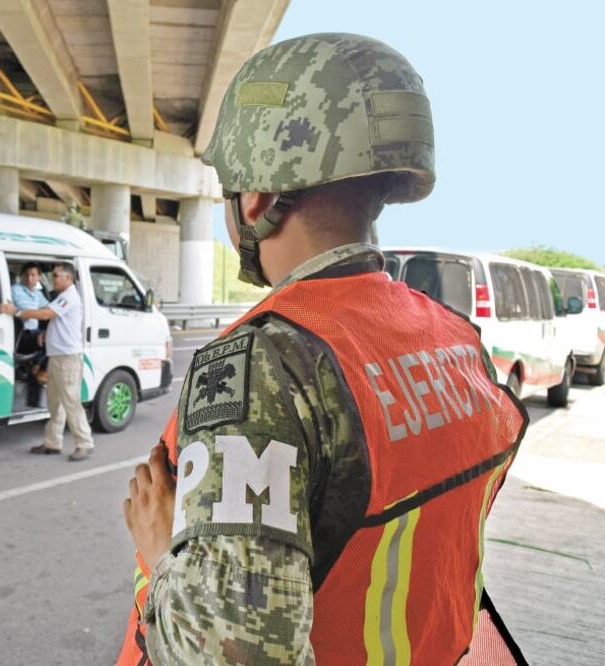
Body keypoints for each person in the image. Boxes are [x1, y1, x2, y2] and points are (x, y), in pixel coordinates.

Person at [118, 33, 529, 665]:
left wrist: (161, 555)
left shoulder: (266, 362)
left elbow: (234, 656)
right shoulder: (454, 339)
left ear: (255, 198)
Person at [0, 263, 95, 461]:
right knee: (55, 403)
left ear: (68, 278)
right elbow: (51, 316)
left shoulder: (69, 297)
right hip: (57, 356)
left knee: (71, 402)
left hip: (67, 358)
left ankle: (84, 444)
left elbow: (46, 314)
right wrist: (46, 333)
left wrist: (15, 311)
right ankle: (52, 443)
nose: (53, 278)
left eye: (56, 275)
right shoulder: (61, 297)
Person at [11, 262, 50, 353]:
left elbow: (48, 309)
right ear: (22, 276)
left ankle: (37, 365)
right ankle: (37, 365)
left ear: (39, 277)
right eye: (26, 275)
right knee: (51, 340)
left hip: (34, 331)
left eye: (33, 275)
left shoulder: (38, 293)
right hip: (21, 334)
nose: (29, 278)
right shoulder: (14, 290)